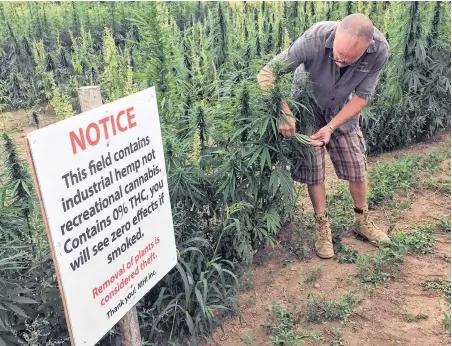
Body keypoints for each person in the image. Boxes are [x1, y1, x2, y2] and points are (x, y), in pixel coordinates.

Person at [257, 13, 390, 259]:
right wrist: (284, 112)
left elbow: (362, 97)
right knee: (313, 169)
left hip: (342, 109)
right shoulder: (315, 38)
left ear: (368, 46)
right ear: (336, 32)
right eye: (337, 56)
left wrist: (331, 126)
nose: (340, 63)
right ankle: (322, 224)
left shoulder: (379, 49)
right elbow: (266, 75)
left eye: (348, 61)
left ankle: (363, 220)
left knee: (356, 165)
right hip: (306, 106)